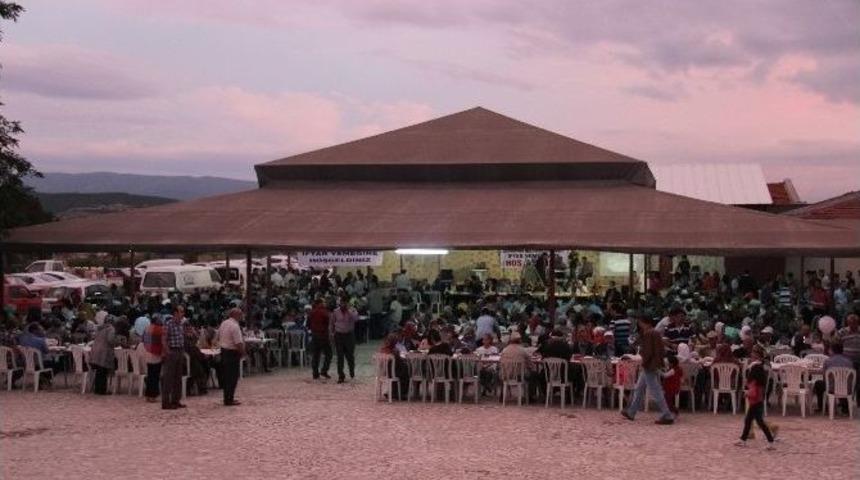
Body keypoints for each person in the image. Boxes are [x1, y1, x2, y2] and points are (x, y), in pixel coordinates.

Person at [621, 313, 674, 425]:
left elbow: (648, 352)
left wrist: (643, 361)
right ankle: (631, 411)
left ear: (645, 322)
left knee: (655, 391)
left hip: (649, 365)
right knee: (639, 388)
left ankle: (667, 414)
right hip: (652, 364)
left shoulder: (649, 333)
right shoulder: (655, 332)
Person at [735, 349, 775, 450]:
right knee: (750, 420)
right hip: (757, 400)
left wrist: (747, 393)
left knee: (758, 422)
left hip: (756, 400)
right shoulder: (759, 368)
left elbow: (753, 389)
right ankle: (743, 439)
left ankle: (770, 442)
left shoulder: (756, 369)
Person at [812, 342, 854, 414]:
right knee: (841, 384)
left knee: (818, 384)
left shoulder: (828, 361)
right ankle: (845, 407)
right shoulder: (849, 362)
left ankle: (822, 407)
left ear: (832, 350)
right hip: (847, 388)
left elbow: (825, 376)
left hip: (832, 388)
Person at [217, 308, 246, 406]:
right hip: (232, 353)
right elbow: (238, 343)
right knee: (232, 377)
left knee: (226, 376)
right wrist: (243, 353)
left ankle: (227, 397)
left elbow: (219, 336)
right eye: (241, 315)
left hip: (224, 351)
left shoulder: (224, 323)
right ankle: (230, 399)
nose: (242, 317)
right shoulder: (235, 326)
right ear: (236, 315)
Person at [160, 312, 186, 409]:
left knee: (177, 378)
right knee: (168, 378)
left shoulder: (181, 325)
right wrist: (168, 351)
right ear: (175, 313)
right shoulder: (168, 324)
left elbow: (181, 338)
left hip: (179, 350)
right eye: (180, 312)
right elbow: (163, 339)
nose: (182, 314)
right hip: (172, 351)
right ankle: (166, 402)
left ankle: (176, 400)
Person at [330, 296, 358, 383]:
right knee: (340, 357)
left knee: (350, 356)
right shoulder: (335, 311)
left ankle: (351, 371)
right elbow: (332, 323)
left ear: (348, 303)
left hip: (349, 335)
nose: (343, 305)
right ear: (340, 303)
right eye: (342, 303)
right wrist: (331, 333)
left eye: (345, 303)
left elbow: (356, 319)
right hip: (339, 335)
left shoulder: (352, 310)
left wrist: (349, 311)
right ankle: (340, 375)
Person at [89, 317, 118, 395]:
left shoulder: (100, 328)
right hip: (104, 351)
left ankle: (97, 389)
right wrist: (116, 342)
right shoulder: (111, 329)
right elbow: (110, 340)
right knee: (103, 371)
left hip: (95, 350)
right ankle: (102, 390)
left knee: (99, 371)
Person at [307, 298, 332, 380]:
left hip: (314, 335)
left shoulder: (311, 312)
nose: (325, 303)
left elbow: (308, 324)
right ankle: (324, 370)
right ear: (320, 303)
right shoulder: (324, 312)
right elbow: (327, 322)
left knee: (316, 354)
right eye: (323, 302)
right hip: (323, 335)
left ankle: (315, 373)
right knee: (328, 354)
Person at [140, 315, 163, 402]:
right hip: (156, 355)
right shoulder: (160, 329)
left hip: (148, 353)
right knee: (155, 376)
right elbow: (162, 342)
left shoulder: (146, 329)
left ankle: (148, 395)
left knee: (150, 375)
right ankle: (153, 395)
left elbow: (143, 340)